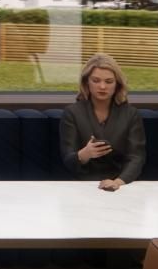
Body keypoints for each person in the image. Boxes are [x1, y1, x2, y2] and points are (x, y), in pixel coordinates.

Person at [59, 53, 146, 191]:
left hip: (121, 185)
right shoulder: (72, 113)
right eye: (96, 80)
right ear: (87, 82)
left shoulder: (131, 114)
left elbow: (136, 157)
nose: (102, 86)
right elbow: (67, 159)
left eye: (109, 81)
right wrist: (84, 154)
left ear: (117, 84)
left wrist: (117, 182)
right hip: (80, 187)